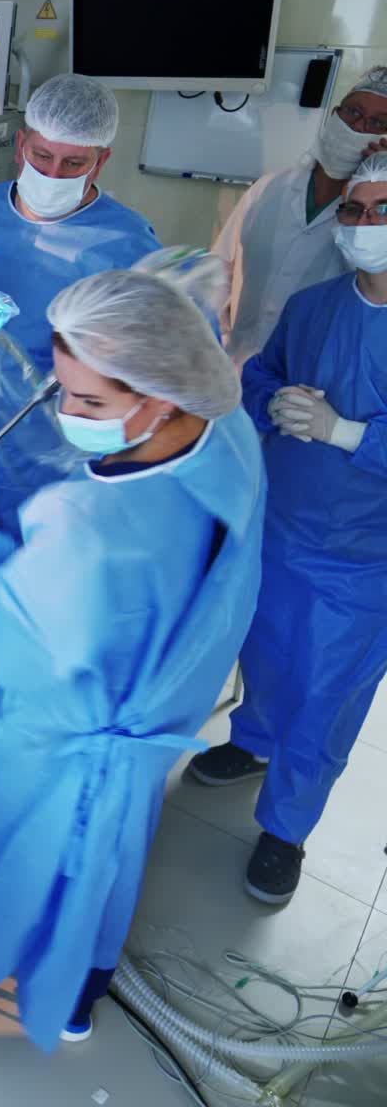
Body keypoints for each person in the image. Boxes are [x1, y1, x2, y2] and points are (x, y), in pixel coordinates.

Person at [0, 269, 264, 1070]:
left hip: (53, 742)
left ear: (162, 394)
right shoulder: (229, 434)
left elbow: (20, 653)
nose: (66, 416)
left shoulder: (81, 521)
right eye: (61, 392)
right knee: (102, 867)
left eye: (89, 403)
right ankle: (74, 1001)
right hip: (152, 728)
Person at [188, 152, 387, 905]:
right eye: (354, 210)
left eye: (380, 211)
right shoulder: (316, 306)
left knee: (327, 690)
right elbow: (262, 371)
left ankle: (288, 828)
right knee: (265, 650)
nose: (364, 225)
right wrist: (268, 399)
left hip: (366, 558)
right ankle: (253, 742)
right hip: (284, 522)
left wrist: (348, 435)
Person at [0, 73, 162, 531]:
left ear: (101, 162)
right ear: (21, 145)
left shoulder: (127, 246)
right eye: (42, 156)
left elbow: (143, 373)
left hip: (54, 458)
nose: (53, 174)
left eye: (74, 163)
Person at [213, 65, 387, 365]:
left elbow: (376, 291)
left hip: (310, 380)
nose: (359, 127)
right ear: (334, 115)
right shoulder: (269, 188)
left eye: (377, 122)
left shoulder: (375, 220)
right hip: (233, 364)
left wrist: (372, 183)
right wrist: (213, 343)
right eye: (354, 113)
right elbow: (219, 270)